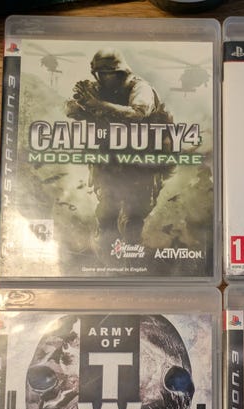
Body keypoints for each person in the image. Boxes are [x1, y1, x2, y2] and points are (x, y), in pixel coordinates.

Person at [66, 48, 173, 254]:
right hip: (112, 159)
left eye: (110, 73)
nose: (106, 78)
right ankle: (107, 252)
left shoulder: (140, 87)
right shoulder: (96, 89)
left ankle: (133, 252)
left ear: (121, 72)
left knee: (135, 214)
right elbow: (70, 109)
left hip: (143, 160)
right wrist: (81, 107)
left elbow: (138, 113)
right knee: (107, 209)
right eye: (101, 74)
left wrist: (99, 105)